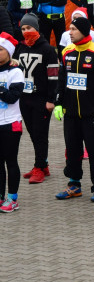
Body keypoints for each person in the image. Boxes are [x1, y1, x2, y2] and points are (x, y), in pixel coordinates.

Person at [53, 15, 94, 202]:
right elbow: (62, 80)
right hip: (70, 112)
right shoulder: (67, 52)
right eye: (69, 29)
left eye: (73, 29)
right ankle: (74, 184)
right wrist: (58, 103)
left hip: (93, 113)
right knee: (72, 149)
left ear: (84, 31)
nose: (69, 33)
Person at [13, 15, 58, 184]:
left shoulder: (47, 49)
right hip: (25, 98)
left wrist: (51, 99)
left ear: (36, 29)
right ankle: (42, 164)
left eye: (29, 28)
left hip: (41, 99)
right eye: (23, 29)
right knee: (32, 133)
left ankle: (39, 167)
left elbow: (54, 77)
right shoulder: (21, 48)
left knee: (40, 134)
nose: (26, 32)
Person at [0, 33, 25, 213]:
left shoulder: (16, 72)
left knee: (11, 161)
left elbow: (12, 97)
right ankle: (1, 196)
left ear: (8, 53)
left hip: (10, 123)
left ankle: (12, 198)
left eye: (0, 49)